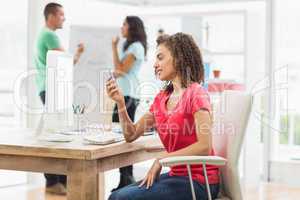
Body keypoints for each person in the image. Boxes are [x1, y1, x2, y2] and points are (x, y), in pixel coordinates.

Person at [106, 33, 220, 200]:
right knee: (115, 196)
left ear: (179, 58)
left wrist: (161, 159)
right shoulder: (161, 98)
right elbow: (131, 134)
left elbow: (204, 145)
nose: (155, 64)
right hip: (177, 176)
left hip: (199, 182)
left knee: (123, 198)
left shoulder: (196, 94)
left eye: (160, 57)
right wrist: (121, 104)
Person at [34, 2, 84, 195]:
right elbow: (66, 62)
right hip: (52, 89)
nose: (64, 18)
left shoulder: (43, 34)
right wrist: (78, 53)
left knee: (57, 132)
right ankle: (54, 181)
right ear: (52, 16)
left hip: (48, 88)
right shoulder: (49, 35)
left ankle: (58, 180)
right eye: (61, 15)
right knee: (57, 135)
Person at [110, 16, 147, 192]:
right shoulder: (129, 47)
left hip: (129, 95)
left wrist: (113, 48)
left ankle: (128, 177)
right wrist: (114, 48)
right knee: (120, 134)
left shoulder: (136, 47)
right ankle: (124, 178)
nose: (121, 27)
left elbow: (120, 70)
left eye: (124, 24)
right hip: (123, 95)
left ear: (132, 27)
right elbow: (119, 69)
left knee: (126, 135)